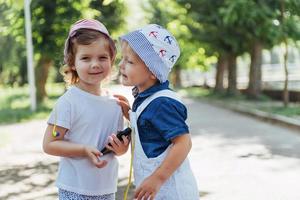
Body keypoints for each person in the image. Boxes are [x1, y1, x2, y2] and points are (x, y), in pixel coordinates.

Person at [43, 19, 129, 200]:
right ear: (72, 63)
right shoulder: (69, 102)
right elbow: (49, 144)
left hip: (106, 189)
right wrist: (83, 150)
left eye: (102, 57)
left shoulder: (116, 104)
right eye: (85, 58)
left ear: (112, 60)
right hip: (74, 189)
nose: (95, 64)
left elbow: (117, 149)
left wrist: (121, 149)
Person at [116, 24, 199, 200]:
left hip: (171, 192)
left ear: (153, 71)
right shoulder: (147, 99)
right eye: (122, 59)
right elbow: (151, 127)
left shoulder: (162, 103)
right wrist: (130, 114)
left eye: (129, 61)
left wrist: (157, 178)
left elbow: (184, 143)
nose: (121, 65)